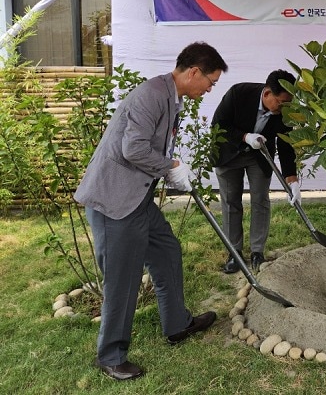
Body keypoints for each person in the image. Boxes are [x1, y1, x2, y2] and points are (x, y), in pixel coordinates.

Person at [74, 42, 229, 381]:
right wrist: (170, 165)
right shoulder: (152, 94)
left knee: (166, 251)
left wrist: (169, 169)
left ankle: (177, 325)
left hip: (137, 199)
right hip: (117, 203)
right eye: (211, 81)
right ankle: (111, 355)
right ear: (193, 72)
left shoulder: (172, 97)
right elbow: (133, 149)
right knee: (123, 279)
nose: (210, 88)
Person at [211, 70, 300, 274]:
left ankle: (257, 252)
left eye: (289, 104)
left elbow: (286, 146)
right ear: (267, 93)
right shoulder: (238, 93)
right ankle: (234, 253)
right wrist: (244, 137)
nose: (284, 108)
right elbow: (218, 125)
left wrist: (292, 180)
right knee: (231, 201)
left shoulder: (284, 110)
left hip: (259, 157)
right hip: (228, 152)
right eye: (281, 103)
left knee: (260, 199)